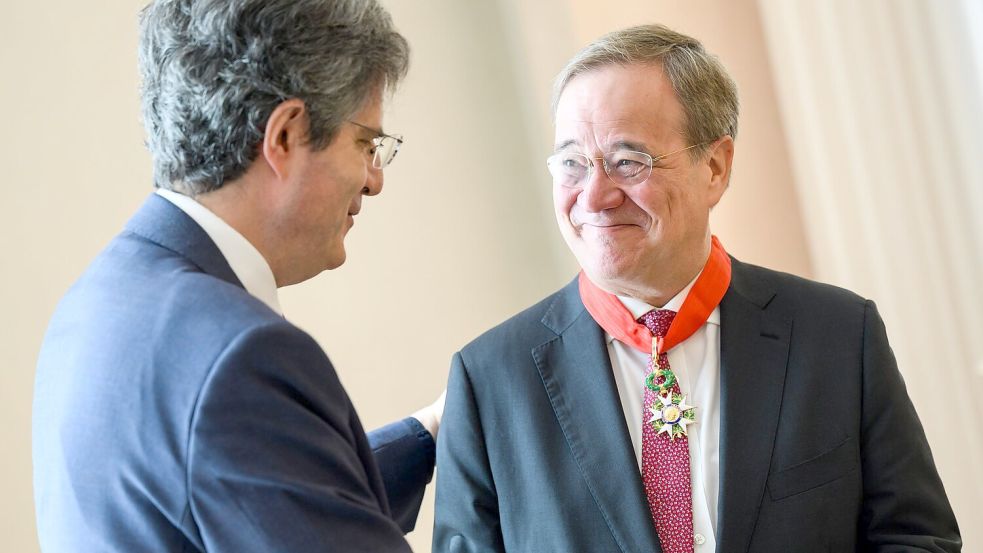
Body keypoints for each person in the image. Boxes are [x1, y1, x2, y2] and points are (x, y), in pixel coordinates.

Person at [432, 24, 960, 553]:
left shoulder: (838, 335)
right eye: (572, 163)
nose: (593, 197)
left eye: (627, 161)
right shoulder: (488, 381)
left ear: (715, 167)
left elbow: (916, 539)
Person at [33, 1, 442, 551]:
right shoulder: (242, 353)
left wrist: (431, 432)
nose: (375, 180)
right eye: (366, 143)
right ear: (285, 136)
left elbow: (261, 501)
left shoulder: (97, 302)